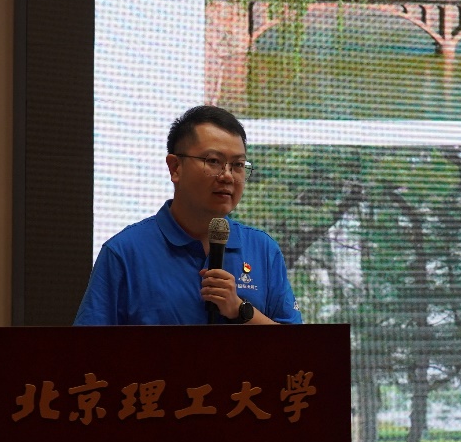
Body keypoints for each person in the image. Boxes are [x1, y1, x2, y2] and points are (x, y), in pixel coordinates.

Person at [73, 105, 301, 326]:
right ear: (175, 168)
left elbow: (296, 346)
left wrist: (240, 309)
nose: (228, 176)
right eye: (213, 161)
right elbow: (87, 347)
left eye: (238, 165)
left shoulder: (263, 249)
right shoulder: (124, 252)